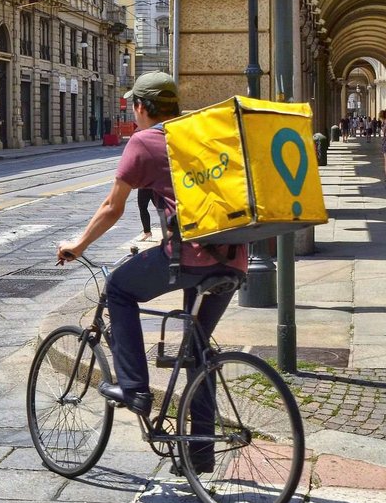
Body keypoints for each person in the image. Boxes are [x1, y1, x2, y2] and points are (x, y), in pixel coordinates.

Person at [56, 72, 247, 468]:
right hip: (234, 258)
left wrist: (78, 245)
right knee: (197, 350)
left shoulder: (145, 141)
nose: (134, 114)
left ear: (141, 107)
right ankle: (199, 454)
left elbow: (112, 207)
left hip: (190, 258)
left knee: (119, 289)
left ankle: (135, 388)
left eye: (133, 107)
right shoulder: (199, 133)